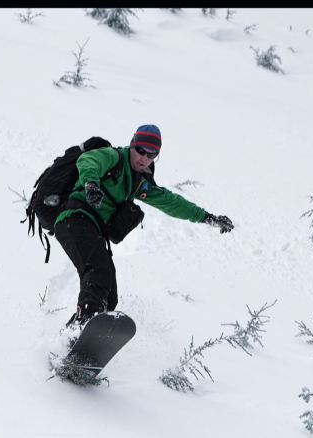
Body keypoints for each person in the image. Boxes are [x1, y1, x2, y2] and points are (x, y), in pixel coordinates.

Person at [53, 124, 233, 332]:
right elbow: (88, 160)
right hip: (73, 218)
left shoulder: (139, 182)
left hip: (92, 228)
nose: (144, 158)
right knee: (98, 272)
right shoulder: (114, 157)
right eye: (141, 151)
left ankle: (73, 340)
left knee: (109, 295)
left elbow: (172, 202)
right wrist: (91, 184)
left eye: (152, 154)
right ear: (132, 144)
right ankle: (79, 332)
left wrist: (207, 217)